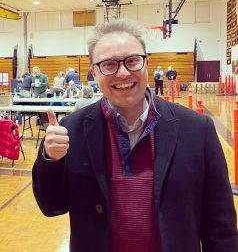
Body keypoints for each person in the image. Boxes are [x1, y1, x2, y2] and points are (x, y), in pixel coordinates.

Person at [32, 19, 237, 252]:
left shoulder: (197, 130)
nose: (122, 73)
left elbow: (220, 227)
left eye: (132, 61)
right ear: (94, 73)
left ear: (146, 63)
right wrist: (50, 159)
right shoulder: (72, 130)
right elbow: (52, 206)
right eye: (108, 64)